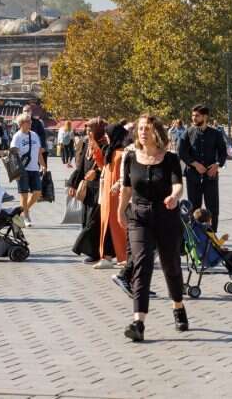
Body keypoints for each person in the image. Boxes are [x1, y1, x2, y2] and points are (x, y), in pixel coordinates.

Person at [117, 114, 187, 342]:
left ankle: (178, 306)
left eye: (147, 129)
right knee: (141, 264)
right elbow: (127, 189)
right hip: (138, 216)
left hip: (166, 215)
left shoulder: (170, 159)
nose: (142, 132)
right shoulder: (130, 157)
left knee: (171, 266)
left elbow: (178, 185)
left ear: (157, 132)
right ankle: (138, 322)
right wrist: (120, 210)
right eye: (140, 129)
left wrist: (174, 197)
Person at [177, 105, 226, 231]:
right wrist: (194, 164)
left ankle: (213, 235)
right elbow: (181, 152)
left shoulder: (216, 134)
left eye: (197, 116)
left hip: (211, 176)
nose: (194, 118)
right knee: (193, 207)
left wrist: (217, 165)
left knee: (213, 207)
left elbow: (222, 152)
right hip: (192, 176)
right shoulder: (187, 133)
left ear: (205, 117)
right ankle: (195, 235)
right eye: (193, 115)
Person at [69, 117, 107, 263]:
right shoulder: (87, 143)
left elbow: (106, 166)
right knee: (85, 219)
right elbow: (81, 167)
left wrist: (96, 174)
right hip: (87, 188)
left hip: (99, 187)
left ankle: (94, 252)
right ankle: (91, 250)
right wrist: (73, 184)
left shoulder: (105, 145)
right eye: (87, 129)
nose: (88, 132)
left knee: (93, 221)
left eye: (91, 129)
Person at [96, 123, 130, 270]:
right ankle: (107, 257)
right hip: (107, 196)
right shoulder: (112, 151)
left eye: (108, 134)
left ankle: (125, 256)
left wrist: (118, 184)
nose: (106, 137)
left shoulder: (123, 153)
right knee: (107, 227)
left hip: (118, 196)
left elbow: (125, 174)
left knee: (119, 226)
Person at [11, 113, 45, 227]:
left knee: (37, 192)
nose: (30, 123)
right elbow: (13, 154)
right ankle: (26, 216)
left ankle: (22, 212)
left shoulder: (34, 135)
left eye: (30, 121)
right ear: (21, 124)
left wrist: (43, 165)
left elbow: (38, 151)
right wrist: (15, 171)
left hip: (34, 168)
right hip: (22, 169)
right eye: (28, 121)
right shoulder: (17, 136)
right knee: (24, 195)